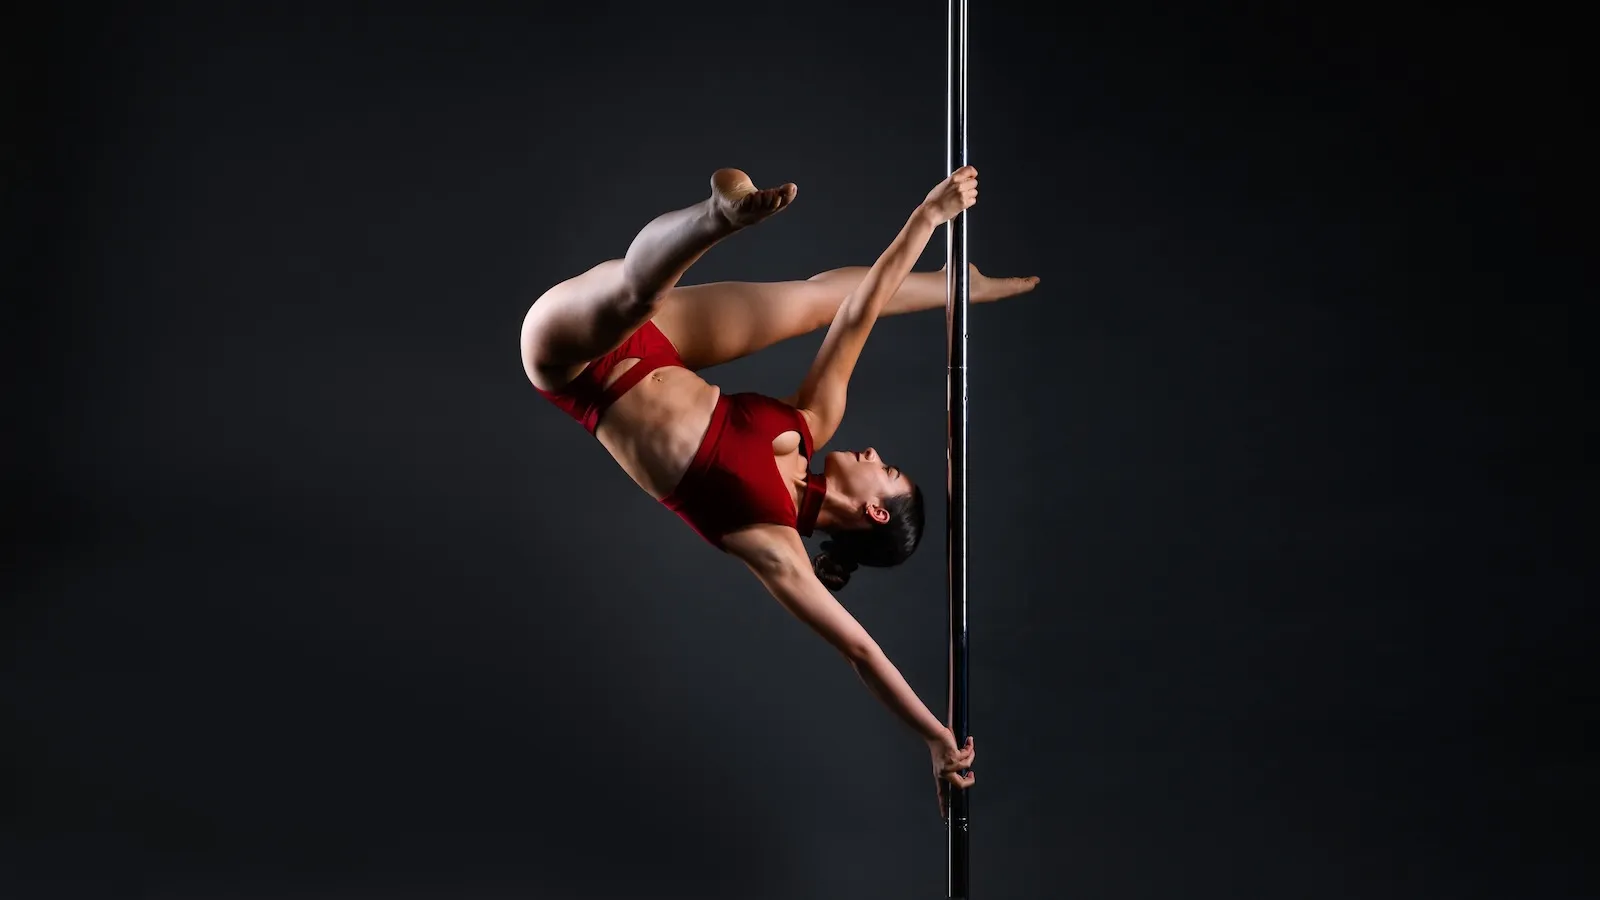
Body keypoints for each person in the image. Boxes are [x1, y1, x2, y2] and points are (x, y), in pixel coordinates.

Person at [519, 165, 1037, 812]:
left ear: (875, 510)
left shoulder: (772, 541)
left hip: (571, 363)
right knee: (816, 300)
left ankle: (716, 217)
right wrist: (928, 219)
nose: (878, 453)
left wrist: (935, 738)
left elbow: (861, 650)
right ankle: (962, 284)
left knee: (635, 295)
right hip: (660, 347)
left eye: (889, 470)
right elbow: (859, 310)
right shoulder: (810, 425)